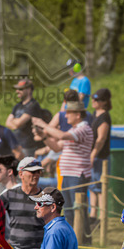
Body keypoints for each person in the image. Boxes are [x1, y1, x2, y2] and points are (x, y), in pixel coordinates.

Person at [31, 97, 92, 233]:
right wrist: (44, 136)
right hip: (68, 174)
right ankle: (75, 235)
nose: (66, 115)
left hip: (77, 174)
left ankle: (83, 237)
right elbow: (57, 147)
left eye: (68, 112)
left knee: (78, 209)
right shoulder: (75, 129)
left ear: (77, 115)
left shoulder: (83, 129)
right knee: (69, 208)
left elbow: (63, 136)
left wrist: (44, 125)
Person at [0, 157, 46, 249]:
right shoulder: (8, 196)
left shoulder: (46, 197)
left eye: (38, 172)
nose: (36, 175)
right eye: (32, 172)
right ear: (20, 174)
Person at [88, 88, 112, 224]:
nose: (93, 101)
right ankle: (93, 215)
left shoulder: (104, 117)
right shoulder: (95, 114)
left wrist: (92, 155)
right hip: (94, 156)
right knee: (92, 186)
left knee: (100, 188)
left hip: (100, 157)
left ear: (104, 102)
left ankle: (102, 217)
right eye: (93, 98)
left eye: (96, 99)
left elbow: (101, 139)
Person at [5, 79, 44, 158]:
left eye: (20, 89)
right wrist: (16, 123)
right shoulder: (17, 106)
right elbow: (7, 123)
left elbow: (18, 124)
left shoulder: (33, 105)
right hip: (16, 145)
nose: (17, 91)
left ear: (29, 90)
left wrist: (14, 121)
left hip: (28, 146)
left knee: (26, 168)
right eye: (17, 89)